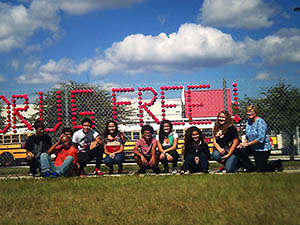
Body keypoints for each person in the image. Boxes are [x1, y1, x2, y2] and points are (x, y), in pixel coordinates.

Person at [236, 105, 283, 172]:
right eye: (248, 112)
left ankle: (277, 163)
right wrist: (244, 143)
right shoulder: (248, 122)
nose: (249, 114)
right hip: (252, 147)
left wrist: (248, 144)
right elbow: (247, 135)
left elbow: (261, 138)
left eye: (251, 112)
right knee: (238, 150)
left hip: (262, 148)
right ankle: (251, 168)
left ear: (255, 112)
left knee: (261, 169)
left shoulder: (260, 122)